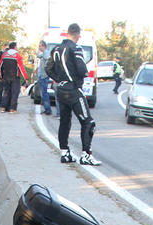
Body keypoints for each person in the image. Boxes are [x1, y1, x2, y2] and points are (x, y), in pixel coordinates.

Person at [50, 23, 100, 165]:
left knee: (65, 121)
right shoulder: (76, 48)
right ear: (78, 35)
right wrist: (79, 77)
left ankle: (65, 153)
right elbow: (82, 69)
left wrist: (59, 79)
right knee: (88, 122)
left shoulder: (56, 49)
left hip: (60, 89)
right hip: (73, 89)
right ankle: (86, 155)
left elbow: (48, 68)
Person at [0, 41, 29, 113]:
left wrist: (0, 77)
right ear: (15, 47)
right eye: (16, 46)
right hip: (15, 77)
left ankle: (3, 107)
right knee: (15, 93)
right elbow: (21, 68)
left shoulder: (4, 55)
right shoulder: (17, 56)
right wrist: (26, 78)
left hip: (6, 77)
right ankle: (12, 108)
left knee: (6, 91)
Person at [36, 40, 54, 115]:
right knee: (43, 93)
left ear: (44, 46)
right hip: (42, 76)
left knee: (44, 93)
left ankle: (48, 110)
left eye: (40, 46)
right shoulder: (43, 53)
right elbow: (38, 55)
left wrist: (46, 70)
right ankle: (47, 109)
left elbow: (47, 59)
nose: (39, 47)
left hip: (44, 76)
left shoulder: (46, 53)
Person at [0, 42, 9, 108]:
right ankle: (0, 103)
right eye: (6, 48)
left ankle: (3, 103)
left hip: (6, 75)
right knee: (1, 89)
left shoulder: (8, 55)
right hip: (2, 74)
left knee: (5, 89)